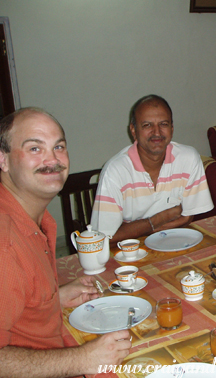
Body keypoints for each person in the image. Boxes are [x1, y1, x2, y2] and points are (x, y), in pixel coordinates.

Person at [0, 108, 131, 377]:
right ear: (3, 160)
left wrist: (51, 299)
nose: (52, 159)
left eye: (59, 146)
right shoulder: (5, 243)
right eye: (35, 148)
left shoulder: (31, 217)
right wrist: (82, 359)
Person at [91, 95, 213, 244]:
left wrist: (132, 229)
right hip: (130, 252)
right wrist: (163, 217)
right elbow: (105, 238)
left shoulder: (188, 159)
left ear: (172, 128)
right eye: (147, 125)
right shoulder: (115, 171)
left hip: (175, 244)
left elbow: (187, 217)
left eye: (163, 124)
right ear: (133, 131)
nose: (157, 132)